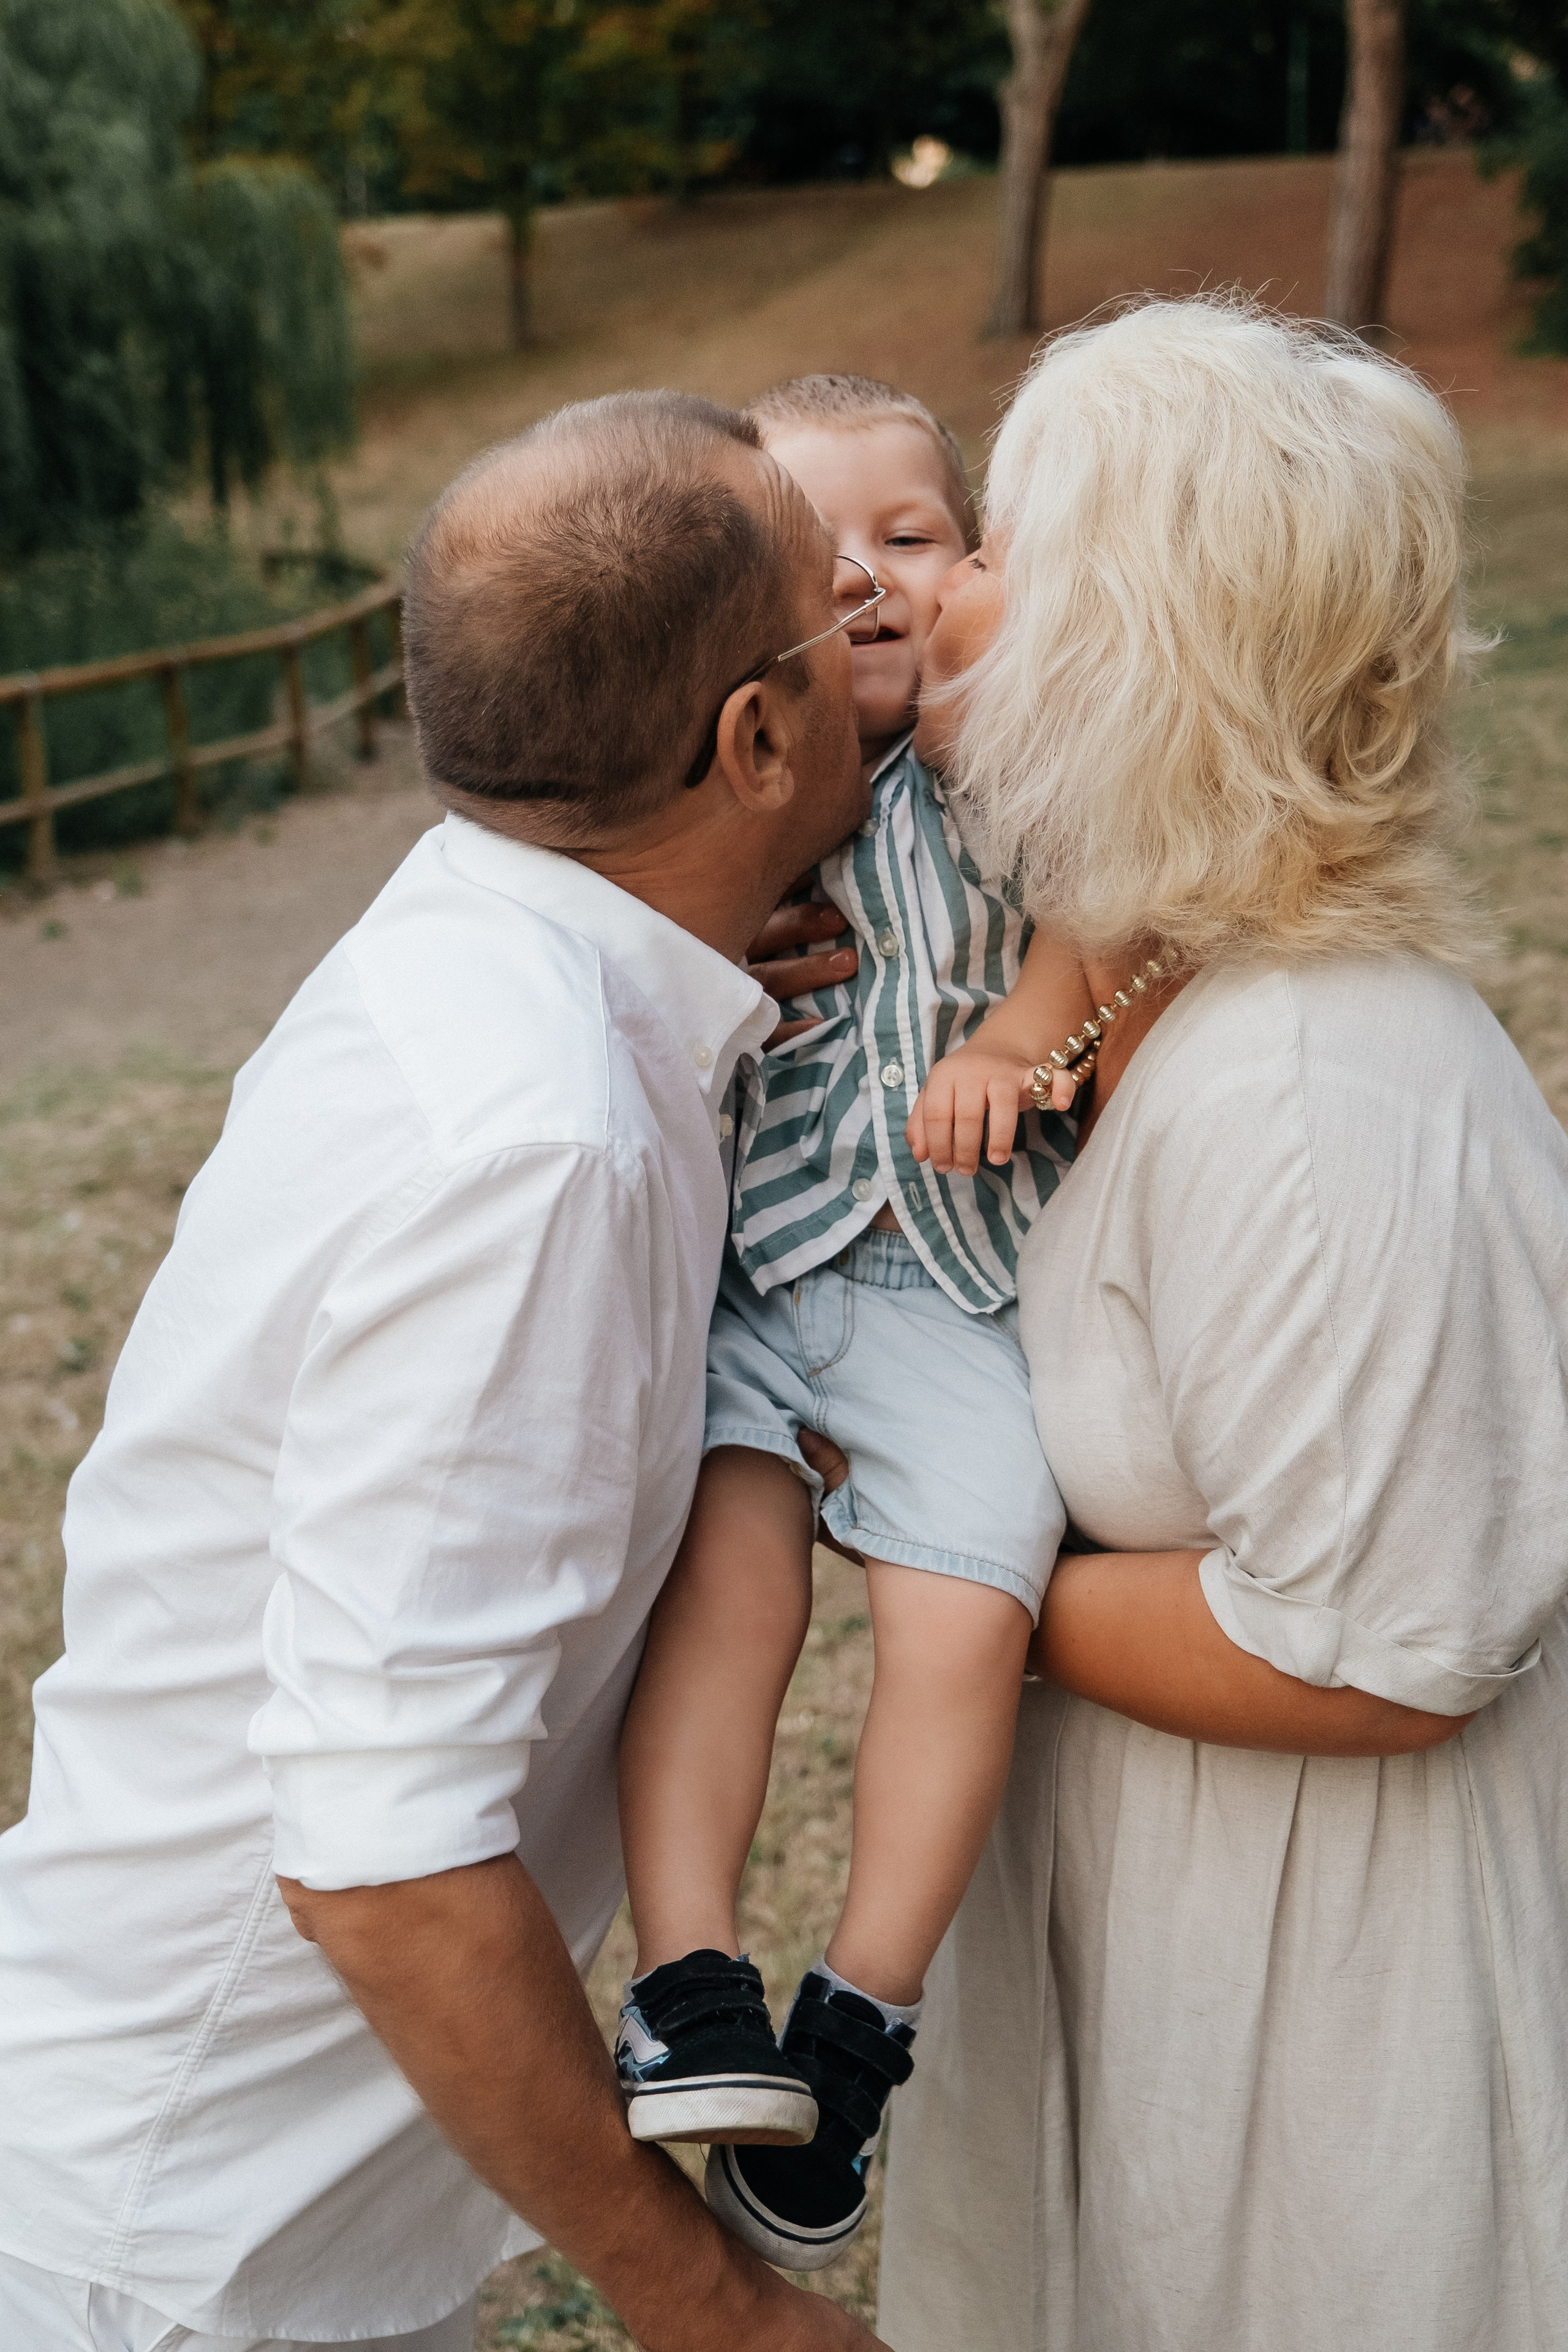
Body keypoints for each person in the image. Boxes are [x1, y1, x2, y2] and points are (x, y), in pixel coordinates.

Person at [0, 391, 888, 2352]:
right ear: (754, 738)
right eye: (845, 623)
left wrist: (751, 969)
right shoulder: (535, 1145)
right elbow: (386, 1863)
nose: (883, 640)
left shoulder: (500, 955)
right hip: (183, 2252)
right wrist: (719, 2311)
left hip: (257, 2201)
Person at [867, 298, 1568, 2351]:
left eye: (995, 548)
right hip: (1174, 1929)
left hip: (1335, 2026)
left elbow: (1378, 1652)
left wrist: (953, 1558)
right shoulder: (1131, 987)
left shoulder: (1309, 1083)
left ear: (1122, 645)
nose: (939, 591)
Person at [614, 375, 1096, 2272]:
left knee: (973, 1601)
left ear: (979, 567)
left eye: (910, 538)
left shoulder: (1011, 755)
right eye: (821, 565)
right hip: (747, 1271)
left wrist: (1009, 1032)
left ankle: (863, 2015)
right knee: (726, 1598)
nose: (870, 583)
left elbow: (1099, 906)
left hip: (942, 1281)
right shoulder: (739, 781)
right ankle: (686, 1981)